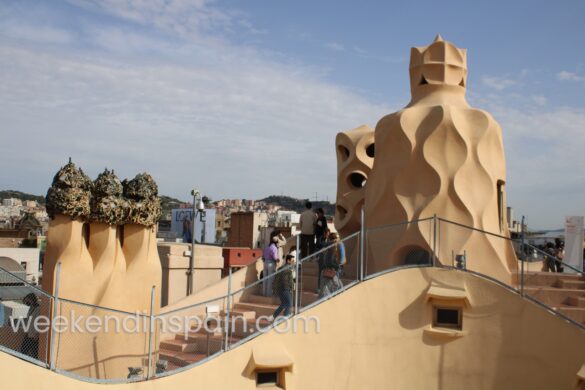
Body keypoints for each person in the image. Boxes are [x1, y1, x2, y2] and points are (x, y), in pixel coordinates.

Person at [319, 233, 346, 298]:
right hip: (334, 270)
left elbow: (322, 256)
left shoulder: (328, 245)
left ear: (329, 238)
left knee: (327, 290)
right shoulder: (339, 244)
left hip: (328, 270)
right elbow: (342, 261)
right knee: (335, 289)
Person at [271, 254, 295, 320]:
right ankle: (284, 318)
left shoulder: (282, 268)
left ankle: (273, 316)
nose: (294, 262)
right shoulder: (287, 269)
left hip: (280, 289)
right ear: (288, 261)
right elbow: (285, 280)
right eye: (292, 260)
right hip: (285, 289)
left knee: (284, 304)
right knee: (289, 304)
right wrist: (290, 288)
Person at [20, 293, 40, 359]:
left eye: (27, 300)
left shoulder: (38, 308)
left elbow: (39, 321)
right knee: (23, 350)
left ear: (31, 299)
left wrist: (37, 333)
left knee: (34, 352)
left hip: (34, 334)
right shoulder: (31, 308)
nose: (26, 302)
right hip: (28, 332)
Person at [262, 232, 281, 297]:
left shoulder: (267, 246)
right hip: (271, 263)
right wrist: (278, 260)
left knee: (265, 279)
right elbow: (275, 257)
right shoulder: (274, 248)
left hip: (265, 263)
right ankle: (269, 294)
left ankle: (264, 293)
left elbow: (263, 256)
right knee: (270, 279)